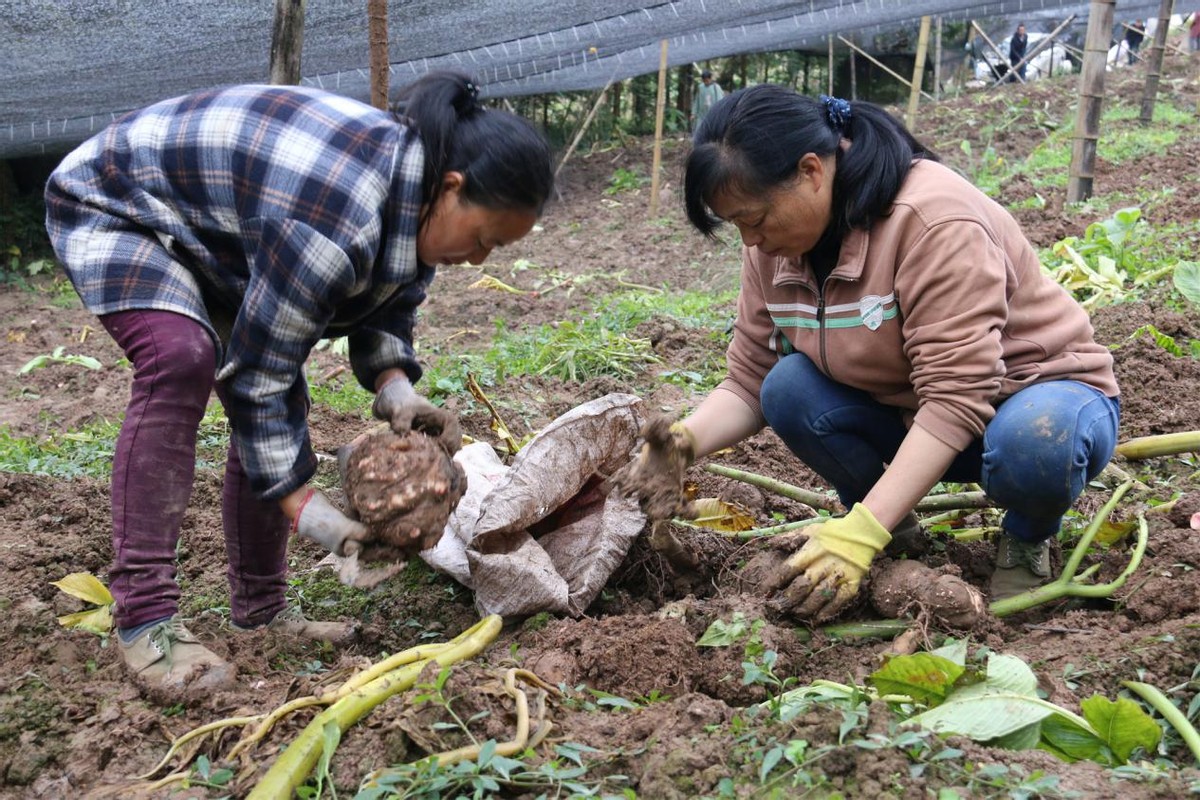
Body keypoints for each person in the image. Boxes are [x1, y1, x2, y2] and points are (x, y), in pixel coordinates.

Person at [44, 72, 554, 694]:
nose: (479, 259)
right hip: (122, 204)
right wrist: (308, 512)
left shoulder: (413, 195)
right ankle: (146, 619)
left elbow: (388, 298)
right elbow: (261, 380)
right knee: (181, 360)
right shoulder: (337, 216)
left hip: (220, 235)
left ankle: (262, 611)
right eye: (482, 239)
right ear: (451, 189)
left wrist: (395, 385)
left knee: (279, 398)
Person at [616, 85, 1120, 623]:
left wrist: (861, 531)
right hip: (916, 417)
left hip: (1032, 399)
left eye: (755, 220)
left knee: (1037, 441)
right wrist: (684, 443)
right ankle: (892, 529)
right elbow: (749, 379)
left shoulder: (932, 221)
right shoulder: (775, 245)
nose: (750, 242)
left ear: (811, 171)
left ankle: (1025, 536)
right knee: (787, 388)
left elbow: (954, 398)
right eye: (736, 225)